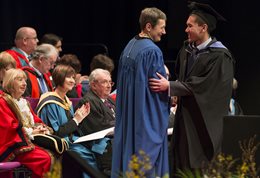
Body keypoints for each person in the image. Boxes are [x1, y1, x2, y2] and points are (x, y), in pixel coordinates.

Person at [149, 2, 234, 176]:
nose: (186, 29)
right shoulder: (186, 50)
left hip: (203, 122)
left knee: (200, 166)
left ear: (203, 28)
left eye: (190, 26)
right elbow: (183, 78)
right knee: (181, 163)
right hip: (184, 117)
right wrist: (176, 90)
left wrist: (171, 87)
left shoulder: (220, 56)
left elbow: (205, 85)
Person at [111, 7, 169, 178]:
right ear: (149, 26)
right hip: (144, 119)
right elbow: (156, 90)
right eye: (162, 27)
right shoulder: (152, 51)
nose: (164, 32)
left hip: (129, 117)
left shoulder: (130, 46)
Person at [36, 64, 101, 178]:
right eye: (69, 77)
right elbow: (57, 133)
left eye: (73, 77)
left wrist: (78, 118)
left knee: (101, 148)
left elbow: (69, 127)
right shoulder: (50, 102)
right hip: (61, 144)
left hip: (72, 141)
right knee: (85, 157)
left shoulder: (66, 100)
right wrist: (76, 120)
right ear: (59, 78)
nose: (72, 81)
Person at [0, 68, 52, 178]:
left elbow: (36, 121)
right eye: (19, 80)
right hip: (13, 145)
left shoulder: (23, 102)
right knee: (45, 158)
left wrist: (42, 129)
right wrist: (31, 132)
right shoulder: (3, 101)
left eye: (25, 80)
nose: (24, 83)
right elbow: (9, 128)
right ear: (10, 81)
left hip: (26, 141)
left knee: (56, 153)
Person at [75, 68, 115, 177]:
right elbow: (100, 126)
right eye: (104, 82)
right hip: (99, 144)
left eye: (110, 82)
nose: (109, 85)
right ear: (93, 85)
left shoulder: (109, 100)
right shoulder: (88, 101)